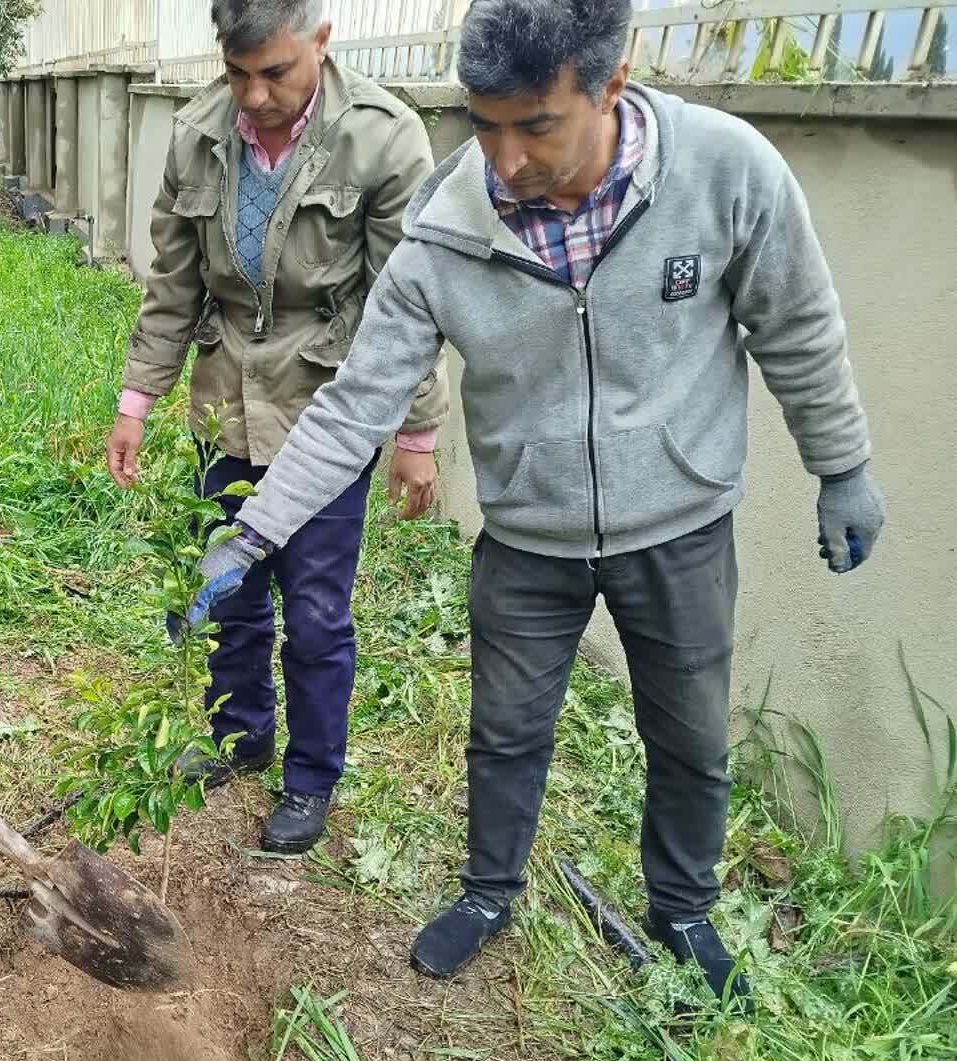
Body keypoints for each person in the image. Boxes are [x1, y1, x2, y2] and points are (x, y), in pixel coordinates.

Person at [181, 0, 886, 1002]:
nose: (504, 160)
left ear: (613, 83)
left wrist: (842, 464)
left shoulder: (726, 173)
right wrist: (251, 536)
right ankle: (488, 891)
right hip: (526, 536)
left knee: (686, 735)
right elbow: (352, 408)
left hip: (678, 524)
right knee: (506, 730)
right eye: (485, 125)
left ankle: (681, 906)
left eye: (537, 127)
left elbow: (799, 330)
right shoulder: (445, 224)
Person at [109, 0, 450, 855]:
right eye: (237, 73)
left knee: (316, 609)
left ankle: (309, 778)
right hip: (224, 403)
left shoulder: (382, 138)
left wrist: (415, 436)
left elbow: (406, 306)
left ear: (320, 42)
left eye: (276, 73)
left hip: (326, 412)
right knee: (229, 591)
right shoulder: (195, 134)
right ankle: (239, 735)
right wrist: (136, 401)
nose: (254, 95)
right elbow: (173, 285)